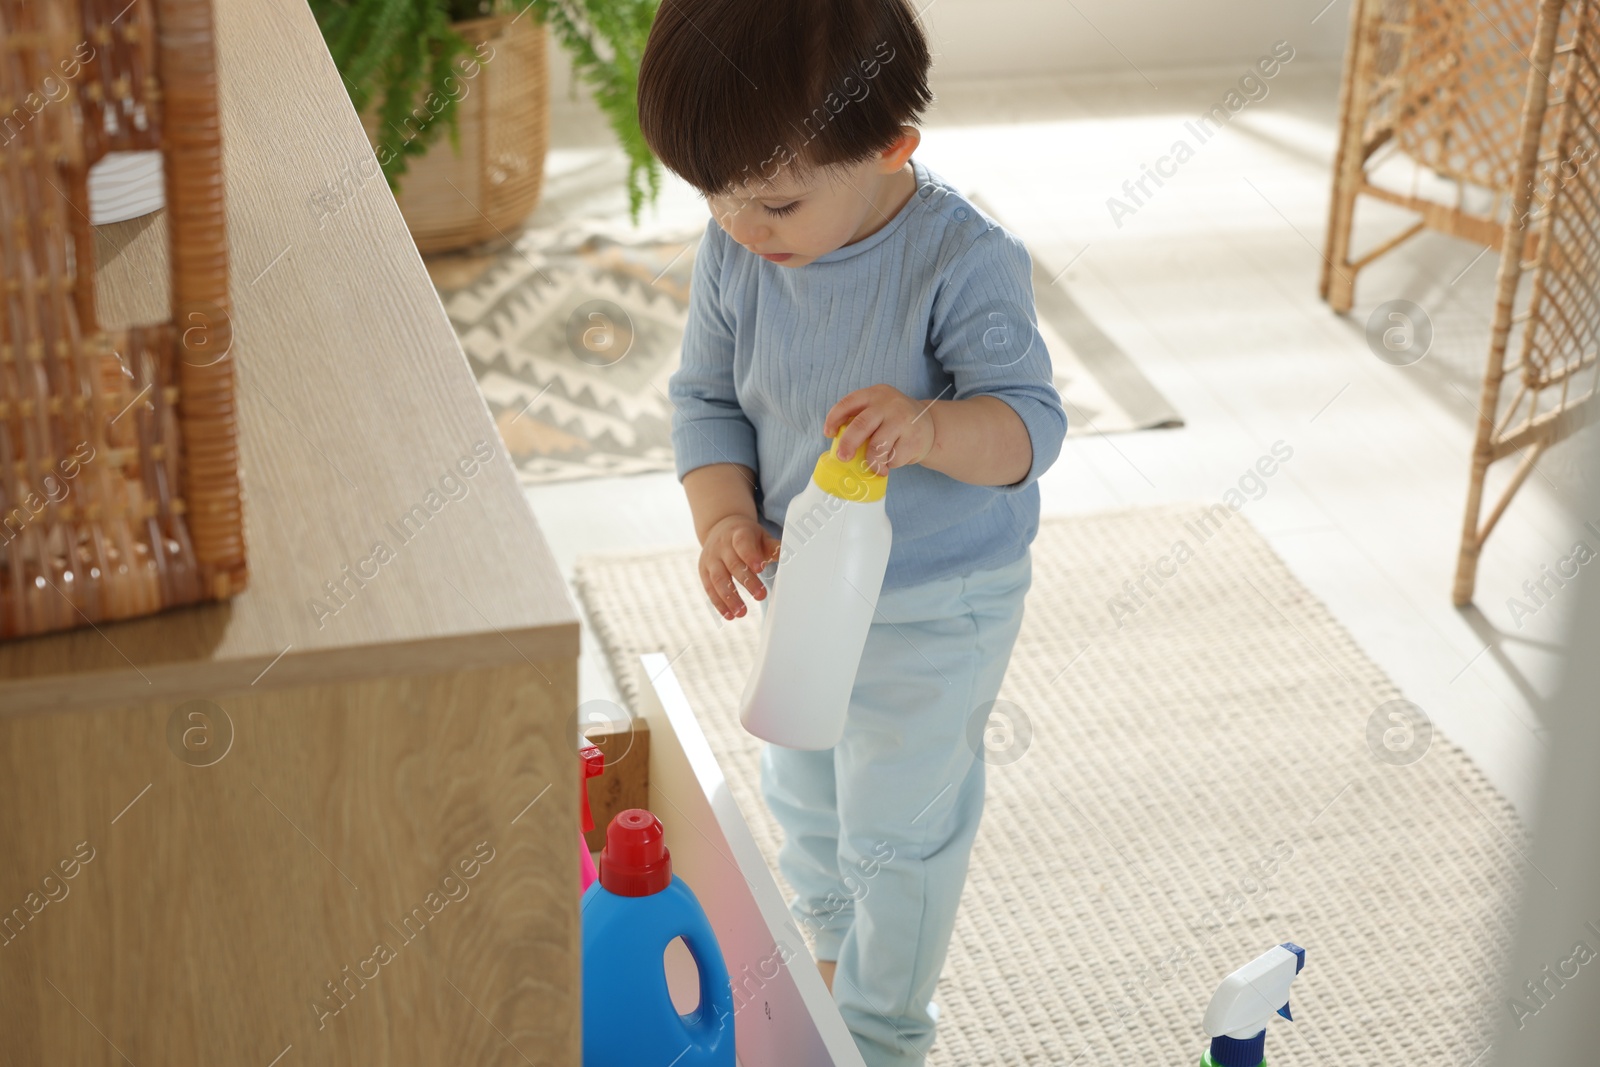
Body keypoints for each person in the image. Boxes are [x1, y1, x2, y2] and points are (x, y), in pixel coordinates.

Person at [639, 2, 1066, 1063]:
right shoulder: (740, 246)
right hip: (809, 591)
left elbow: (1029, 428)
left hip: (937, 600)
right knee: (806, 793)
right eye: (716, 198)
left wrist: (927, 429)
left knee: (896, 830)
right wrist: (725, 516)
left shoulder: (962, 260)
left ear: (890, 150)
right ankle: (829, 962)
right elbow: (704, 400)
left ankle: (880, 1032)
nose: (741, 225)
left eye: (774, 201)